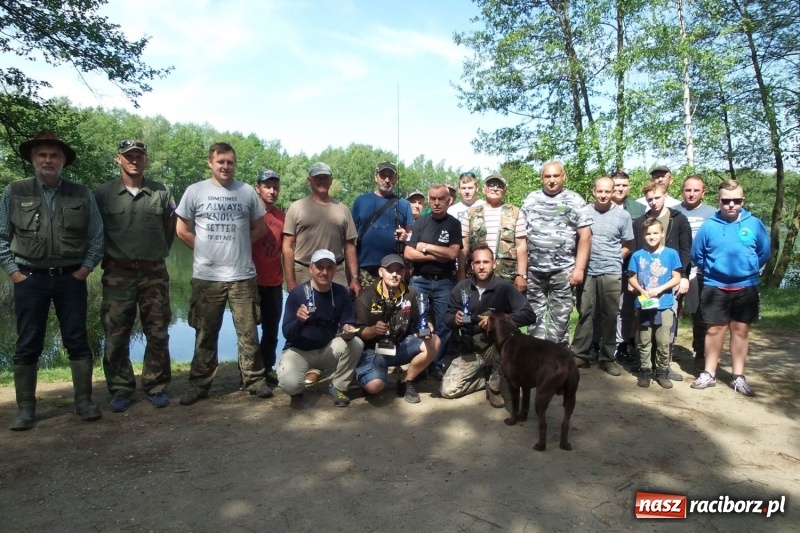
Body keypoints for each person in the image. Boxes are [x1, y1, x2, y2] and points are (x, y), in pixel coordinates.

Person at [1, 130, 104, 430]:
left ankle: (84, 402)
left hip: (70, 278)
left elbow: (97, 236)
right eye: (42, 155)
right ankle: (25, 409)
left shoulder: (81, 193)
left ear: (63, 162)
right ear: (33, 160)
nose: (48, 160)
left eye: (54, 155)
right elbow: (0, 236)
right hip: (28, 278)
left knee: (77, 338)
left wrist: (85, 269)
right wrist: (14, 272)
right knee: (27, 342)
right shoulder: (15, 191)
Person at [175, 142, 272, 405]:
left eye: (230, 162)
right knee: (205, 332)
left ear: (234, 164)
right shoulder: (195, 191)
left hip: (241, 275)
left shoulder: (246, 193)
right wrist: (204, 248)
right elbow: (182, 229)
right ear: (210, 162)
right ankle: (199, 384)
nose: (225, 166)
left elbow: (259, 229)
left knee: (248, 332)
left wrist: (237, 244)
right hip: (207, 277)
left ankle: (254, 380)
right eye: (220, 162)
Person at [95, 140, 176, 412]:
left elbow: (169, 230)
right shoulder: (103, 194)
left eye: (139, 156)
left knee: (157, 331)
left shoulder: (161, 192)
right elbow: (96, 233)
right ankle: (120, 388)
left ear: (145, 160)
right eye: (129, 156)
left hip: (153, 272)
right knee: (116, 333)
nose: (134, 160)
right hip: (118, 273)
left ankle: (156, 385)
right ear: (118, 159)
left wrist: (154, 253)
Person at [690, 180, 770, 397]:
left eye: (737, 200)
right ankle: (708, 373)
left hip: (747, 287)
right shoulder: (709, 226)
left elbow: (764, 252)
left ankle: (738, 377)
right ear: (718, 201)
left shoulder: (754, 224)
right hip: (715, 286)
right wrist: (715, 270)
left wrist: (747, 269)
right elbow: (697, 254)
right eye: (726, 201)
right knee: (714, 330)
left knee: (741, 331)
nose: (731, 205)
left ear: (743, 200)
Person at [442, 245, 536, 407]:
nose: (481, 266)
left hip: (496, 346)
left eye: (486, 262)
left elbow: (529, 315)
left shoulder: (504, 288)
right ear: (472, 265)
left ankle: (494, 388)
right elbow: (448, 317)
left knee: (505, 349)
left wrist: (497, 320)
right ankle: (483, 378)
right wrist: (455, 320)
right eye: (477, 262)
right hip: (471, 348)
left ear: (494, 264)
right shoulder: (461, 288)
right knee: (448, 391)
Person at [277, 249, 363, 407]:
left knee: (356, 343)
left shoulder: (341, 292)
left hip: (326, 349)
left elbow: (348, 322)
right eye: (320, 267)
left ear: (335, 270)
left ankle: (338, 386)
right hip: (299, 351)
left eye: (329, 267)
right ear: (311, 269)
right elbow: (287, 333)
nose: (325, 272)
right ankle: (297, 386)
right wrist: (299, 321)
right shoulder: (297, 294)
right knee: (291, 386)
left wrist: (348, 331)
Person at [520, 160, 592, 347]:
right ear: (541, 178)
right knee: (534, 320)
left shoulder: (575, 200)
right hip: (534, 270)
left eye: (556, 176)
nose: (551, 180)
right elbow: (520, 237)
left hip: (563, 271)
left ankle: (557, 361)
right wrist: (521, 271)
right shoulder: (531, 199)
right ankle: (536, 362)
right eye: (547, 176)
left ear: (563, 177)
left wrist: (579, 269)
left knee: (560, 322)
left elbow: (585, 236)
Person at [354, 254, 439, 403]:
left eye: (399, 270)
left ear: (404, 272)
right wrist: (373, 330)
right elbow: (358, 332)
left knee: (434, 341)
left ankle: (406, 381)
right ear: (381, 272)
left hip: (400, 345)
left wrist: (427, 327)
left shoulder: (411, 293)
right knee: (374, 387)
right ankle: (366, 375)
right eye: (389, 270)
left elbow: (421, 319)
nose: (394, 274)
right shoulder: (365, 296)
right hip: (374, 350)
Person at [570, 177, 634, 375]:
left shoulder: (623, 216)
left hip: (611, 272)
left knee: (610, 315)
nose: (604, 195)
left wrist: (616, 257)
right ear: (593, 191)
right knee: (585, 313)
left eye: (608, 191)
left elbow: (628, 245)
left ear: (614, 191)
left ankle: (607, 358)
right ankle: (580, 355)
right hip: (587, 270)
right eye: (600, 191)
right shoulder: (584, 212)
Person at [632, 182, 692, 380]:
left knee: (666, 326)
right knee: (645, 328)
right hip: (644, 287)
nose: (654, 202)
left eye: (657, 197)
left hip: (670, 281)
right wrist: (633, 282)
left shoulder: (678, 219)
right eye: (650, 199)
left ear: (665, 196)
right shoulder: (641, 221)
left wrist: (683, 276)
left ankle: (664, 367)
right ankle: (644, 366)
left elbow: (685, 250)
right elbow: (635, 254)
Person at [404, 184, 463, 380]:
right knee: (419, 323)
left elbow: (453, 253)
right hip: (420, 280)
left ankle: (436, 363)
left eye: (441, 199)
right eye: (433, 199)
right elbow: (408, 252)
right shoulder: (420, 222)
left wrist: (425, 246)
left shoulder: (453, 224)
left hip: (445, 282)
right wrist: (437, 255)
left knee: (445, 324)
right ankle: (420, 362)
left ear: (449, 201)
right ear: (429, 200)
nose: (436, 203)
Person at [282, 162, 360, 295]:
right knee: (304, 314)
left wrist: (354, 278)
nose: (321, 181)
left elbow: (350, 246)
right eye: (317, 178)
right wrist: (290, 281)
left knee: (339, 312)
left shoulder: (343, 209)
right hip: (304, 271)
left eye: (325, 177)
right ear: (309, 181)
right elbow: (287, 247)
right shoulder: (296, 207)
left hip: (335, 272)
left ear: (331, 180)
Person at [628, 218, 683, 388]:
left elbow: (677, 277)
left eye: (655, 233)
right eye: (648, 233)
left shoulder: (671, 254)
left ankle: (662, 371)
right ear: (643, 235)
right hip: (644, 304)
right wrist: (642, 291)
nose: (651, 236)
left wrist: (660, 289)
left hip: (664, 304)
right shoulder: (637, 255)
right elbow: (631, 277)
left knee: (663, 340)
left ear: (662, 233)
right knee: (644, 339)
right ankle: (645, 371)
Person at [673, 175, 716, 372]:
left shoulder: (712, 213)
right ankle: (665, 349)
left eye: (696, 190)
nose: (691, 194)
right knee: (670, 309)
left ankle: (700, 352)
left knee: (700, 313)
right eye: (688, 190)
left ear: (703, 192)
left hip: (700, 270)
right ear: (682, 191)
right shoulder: (673, 212)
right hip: (676, 268)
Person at [459, 172, 527, 290]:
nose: (495, 188)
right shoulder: (471, 213)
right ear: (484, 189)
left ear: (504, 191)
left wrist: (521, 275)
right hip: (476, 275)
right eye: (491, 185)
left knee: (505, 308)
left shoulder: (516, 213)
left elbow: (521, 246)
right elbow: (463, 245)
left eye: (499, 186)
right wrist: (460, 272)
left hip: (506, 276)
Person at [351, 161, 413, 287]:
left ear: (395, 179)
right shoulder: (361, 201)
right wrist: (353, 276)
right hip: (365, 268)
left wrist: (406, 237)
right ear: (375, 177)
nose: (387, 180)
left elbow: (412, 237)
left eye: (390, 176)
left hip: (393, 269)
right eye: (383, 176)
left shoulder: (404, 204)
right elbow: (350, 239)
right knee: (365, 305)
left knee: (393, 306)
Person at [251, 169, 285, 387]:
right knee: (248, 331)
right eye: (267, 186)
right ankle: (250, 371)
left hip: (274, 282)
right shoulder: (249, 214)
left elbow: (289, 248)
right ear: (258, 188)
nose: (271, 191)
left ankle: (268, 368)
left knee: (271, 330)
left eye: (275, 187)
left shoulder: (283, 217)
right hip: (250, 282)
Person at [610, 169, 646, 362]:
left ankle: (627, 343)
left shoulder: (639, 209)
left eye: (624, 185)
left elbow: (642, 239)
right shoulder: (601, 205)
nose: (620, 189)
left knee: (629, 307)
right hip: (606, 265)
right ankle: (604, 343)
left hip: (631, 265)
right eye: (616, 185)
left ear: (629, 187)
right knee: (608, 307)